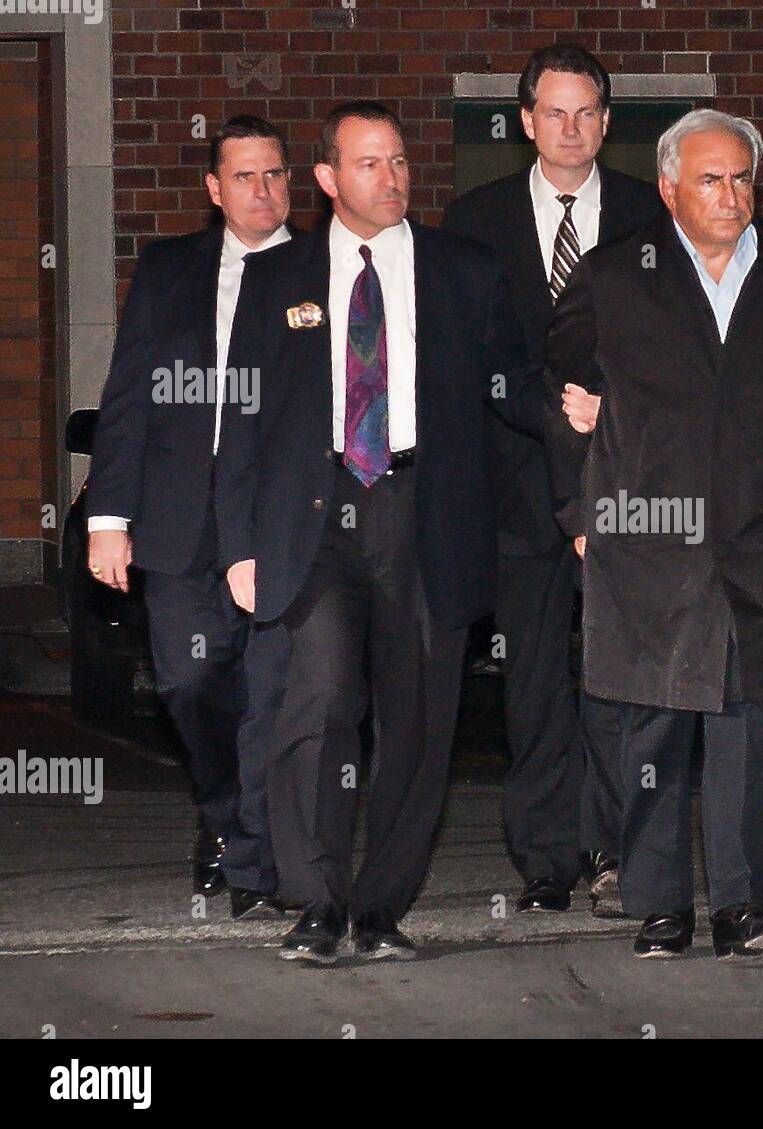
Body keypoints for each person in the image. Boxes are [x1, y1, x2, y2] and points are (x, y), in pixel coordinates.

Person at [215, 101, 537, 964]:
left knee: (419, 720)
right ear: (326, 179)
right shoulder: (278, 280)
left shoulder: (462, 269)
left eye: (399, 161)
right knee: (316, 704)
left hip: (421, 507)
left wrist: (575, 410)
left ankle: (382, 906)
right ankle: (315, 901)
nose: (391, 178)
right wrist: (238, 544)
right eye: (369, 164)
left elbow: (510, 380)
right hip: (313, 515)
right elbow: (242, 419)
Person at [545, 109, 763, 959]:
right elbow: (556, 400)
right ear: (669, 186)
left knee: (751, 727)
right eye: (712, 178)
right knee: (653, 727)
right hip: (646, 540)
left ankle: (749, 907)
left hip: (759, 542)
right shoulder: (612, 276)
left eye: (743, 177)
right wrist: (582, 515)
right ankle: (659, 902)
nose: (732, 195)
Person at [441, 45, 661, 916]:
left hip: (628, 488)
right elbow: (465, 363)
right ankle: (544, 857)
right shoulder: (473, 220)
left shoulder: (654, 215)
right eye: (553, 113)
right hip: (520, 491)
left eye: (587, 114)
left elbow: (681, 347)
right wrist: (547, 416)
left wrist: (615, 408)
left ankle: (617, 851)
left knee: (619, 677)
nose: (571, 130)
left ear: (607, 122)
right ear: (525, 120)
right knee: (532, 681)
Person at [86, 115, 294, 920]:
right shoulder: (170, 269)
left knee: (273, 693)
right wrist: (109, 515)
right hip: (179, 520)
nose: (261, 190)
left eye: (274, 174)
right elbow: (128, 396)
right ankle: (223, 808)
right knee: (190, 677)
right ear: (214, 189)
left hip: (279, 521)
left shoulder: (321, 270)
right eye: (243, 176)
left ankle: (253, 854)